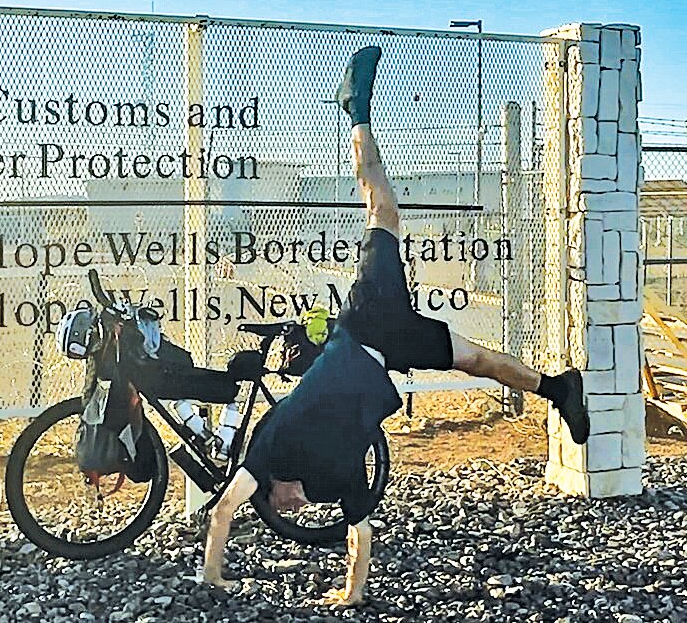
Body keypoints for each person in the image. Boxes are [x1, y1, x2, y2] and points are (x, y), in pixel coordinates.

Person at [202, 45, 590, 607]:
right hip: (394, 345)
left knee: (381, 210)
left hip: (365, 321)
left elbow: (221, 512)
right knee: (477, 361)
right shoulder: (336, 481)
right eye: (282, 510)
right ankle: (561, 388)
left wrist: (211, 573)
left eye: (273, 504)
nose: (277, 509)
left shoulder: (267, 457)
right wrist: (351, 594)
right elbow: (360, 534)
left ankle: (356, 109)